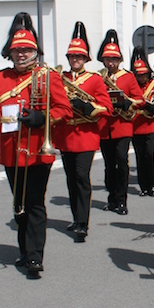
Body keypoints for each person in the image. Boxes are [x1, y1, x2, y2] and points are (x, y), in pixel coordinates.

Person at [0, 12, 72, 277]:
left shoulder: (48, 76)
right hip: (10, 152)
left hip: (38, 150)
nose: (21, 55)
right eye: (17, 51)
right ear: (9, 54)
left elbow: (66, 110)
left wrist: (42, 117)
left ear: (35, 51)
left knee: (35, 202)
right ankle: (25, 251)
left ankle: (36, 257)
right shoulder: (0, 79)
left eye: (26, 50)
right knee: (19, 204)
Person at [53, 21, 113, 242]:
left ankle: (83, 223)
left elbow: (107, 107)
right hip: (65, 135)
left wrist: (89, 108)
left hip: (86, 135)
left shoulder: (95, 80)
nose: (74, 60)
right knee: (70, 178)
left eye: (78, 57)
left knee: (81, 177)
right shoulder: (61, 79)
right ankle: (75, 217)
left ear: (86, 59)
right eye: (71, 57)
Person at [97, 30, 145, 215]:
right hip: (105, 127)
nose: (111, 63)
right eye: (108, 59)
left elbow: (140, 100)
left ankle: (122, 200)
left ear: (120, 60)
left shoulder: (128, 77)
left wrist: (127, 103)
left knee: (121, 163)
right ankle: (111, 198)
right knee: (109, 165)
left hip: (123, 126)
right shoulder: (99, 77)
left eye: (114, 59)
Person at [131, 46, 154, 197]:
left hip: (152, 126)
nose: (142, 77)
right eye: (139, 75)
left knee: (150, 156)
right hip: (136, 125)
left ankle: (153, 185)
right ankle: (143, 186)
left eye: (144, 74)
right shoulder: (133, 86)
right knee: (140, 157)